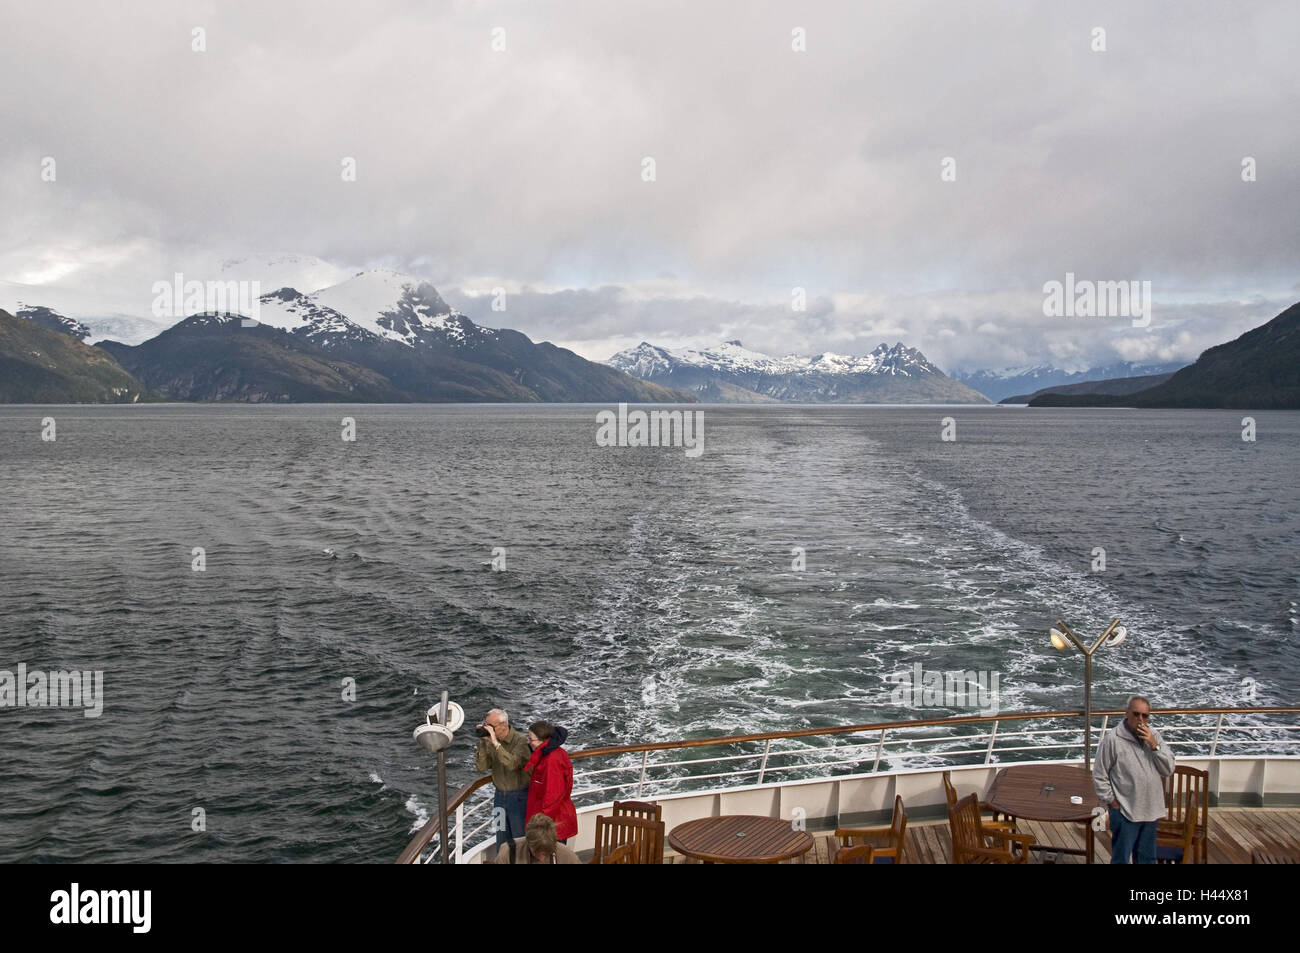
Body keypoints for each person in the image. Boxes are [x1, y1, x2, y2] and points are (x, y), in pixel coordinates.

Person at [1093, 695, 1175, 864]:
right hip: (1125, 811)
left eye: (1145, 716)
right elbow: (1099, 774)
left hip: (1151, 810)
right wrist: (1113, 802)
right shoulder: (1113, 740)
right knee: (1121, 859)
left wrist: (1154, 745)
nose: (1140, 719)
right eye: (1136, 714)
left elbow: (1168, 769)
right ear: (1127, 713)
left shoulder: (1154, 736)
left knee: (1146, 859)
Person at [475, 708, 531, 848]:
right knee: (501, 837)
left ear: (503, 725)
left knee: (520, 839)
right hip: (499, 798)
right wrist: (482, 743)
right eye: (486, 725)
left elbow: (512, 764)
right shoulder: (491, 742)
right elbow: (482, 766)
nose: (488, 729)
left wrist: (496, 744)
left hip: (519, 798)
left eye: (491, 726)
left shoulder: (520, 741)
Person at [524, 720, 578, 842]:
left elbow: (552, 796)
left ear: (542, 740)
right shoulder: (550, 753)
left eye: (531, 739)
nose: (528, 742)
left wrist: (541, 824)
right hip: (552, 819)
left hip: (552, 824)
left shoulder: (551, 760)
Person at [493, 813, 580, 865]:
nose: (542, 859)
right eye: (537, 853)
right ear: (528, 842)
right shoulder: (508, 852)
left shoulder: (567, 856)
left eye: (546, 853)